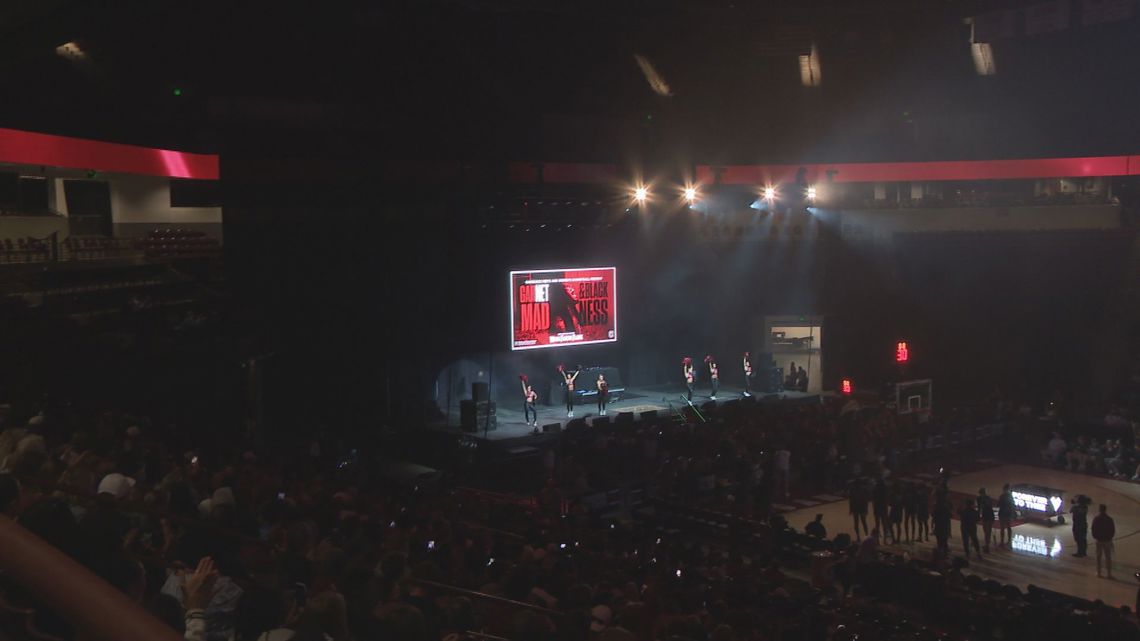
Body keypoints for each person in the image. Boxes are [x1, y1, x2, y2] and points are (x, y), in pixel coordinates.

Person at [1091, 503, 1116, 579]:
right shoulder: (1109, 519)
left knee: (1098, 557)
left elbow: (1093, 529)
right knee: (1108, 557)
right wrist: (1110, 537)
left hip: (1099, 540)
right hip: (1107, 540)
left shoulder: (1096, 519)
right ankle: (1109, 573)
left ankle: (1099, 572)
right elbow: (1112, 530)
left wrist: (1096, 537)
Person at [976, 488, 995, 553]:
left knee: (987, 531)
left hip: (987, 515)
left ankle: (987, 545)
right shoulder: (987, 498)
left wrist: (978, 516)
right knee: (987, 531)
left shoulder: (981, 499)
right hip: (988, 515)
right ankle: (987, 544)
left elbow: (980, 508)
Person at [997, 483, 1015, 548]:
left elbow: (998, 504)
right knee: (1008, 527)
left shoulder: (1002, 496)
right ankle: (1009, 541)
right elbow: (1013, 506)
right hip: (1009, 514)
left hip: (1003, 513)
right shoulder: (1011, 496)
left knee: (1002, 528)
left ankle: (1002, 542)